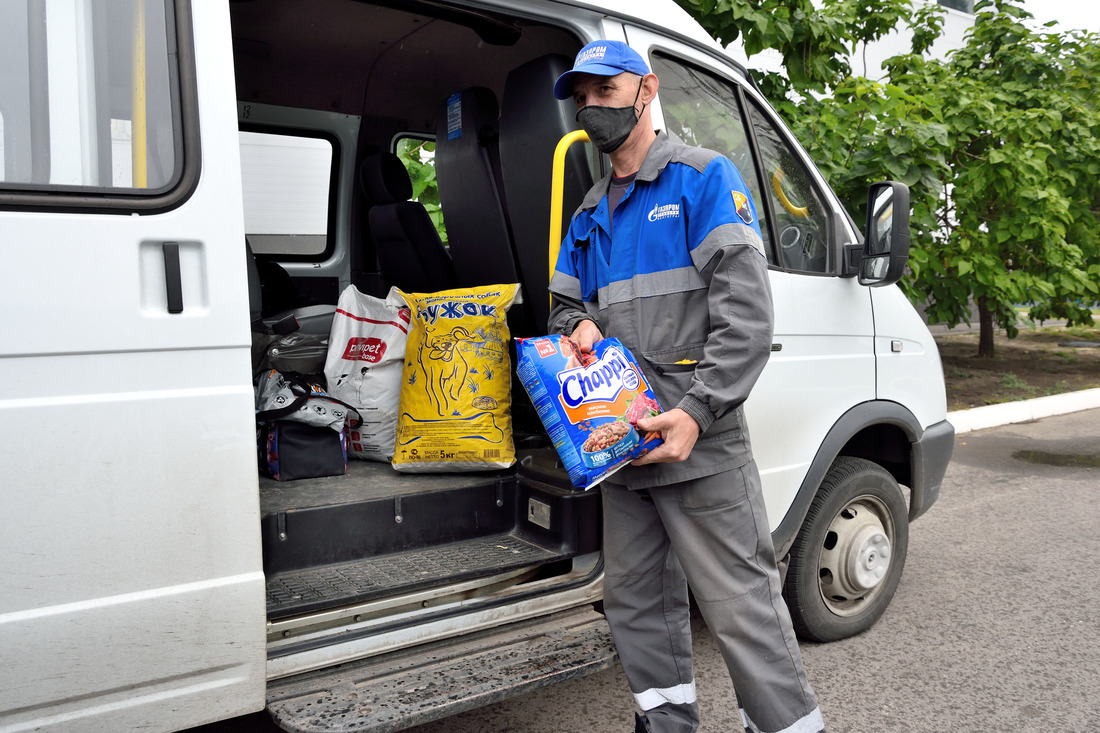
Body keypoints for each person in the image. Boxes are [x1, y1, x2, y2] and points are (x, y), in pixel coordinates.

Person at [548, 41, 825, 733]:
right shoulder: (586, 216)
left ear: (646, 90)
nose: (591, 107)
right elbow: (561, 306)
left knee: (740, 607)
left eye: (605, 91)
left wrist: (697, 412)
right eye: (581, 96)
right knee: (637, 605)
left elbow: (748, 320)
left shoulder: (702, 179)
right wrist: (577, 325)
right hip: (620, 445)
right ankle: (666, 724)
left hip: (698, 437)